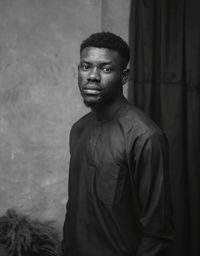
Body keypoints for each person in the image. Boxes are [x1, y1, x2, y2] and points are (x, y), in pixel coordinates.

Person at [62, 32, 173, 256]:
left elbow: (157, 234)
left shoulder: (145, 137)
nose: (92, 76)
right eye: (85, 67)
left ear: (124, 77)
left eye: (105, 68)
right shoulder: (79, 129)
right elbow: (75, 210)